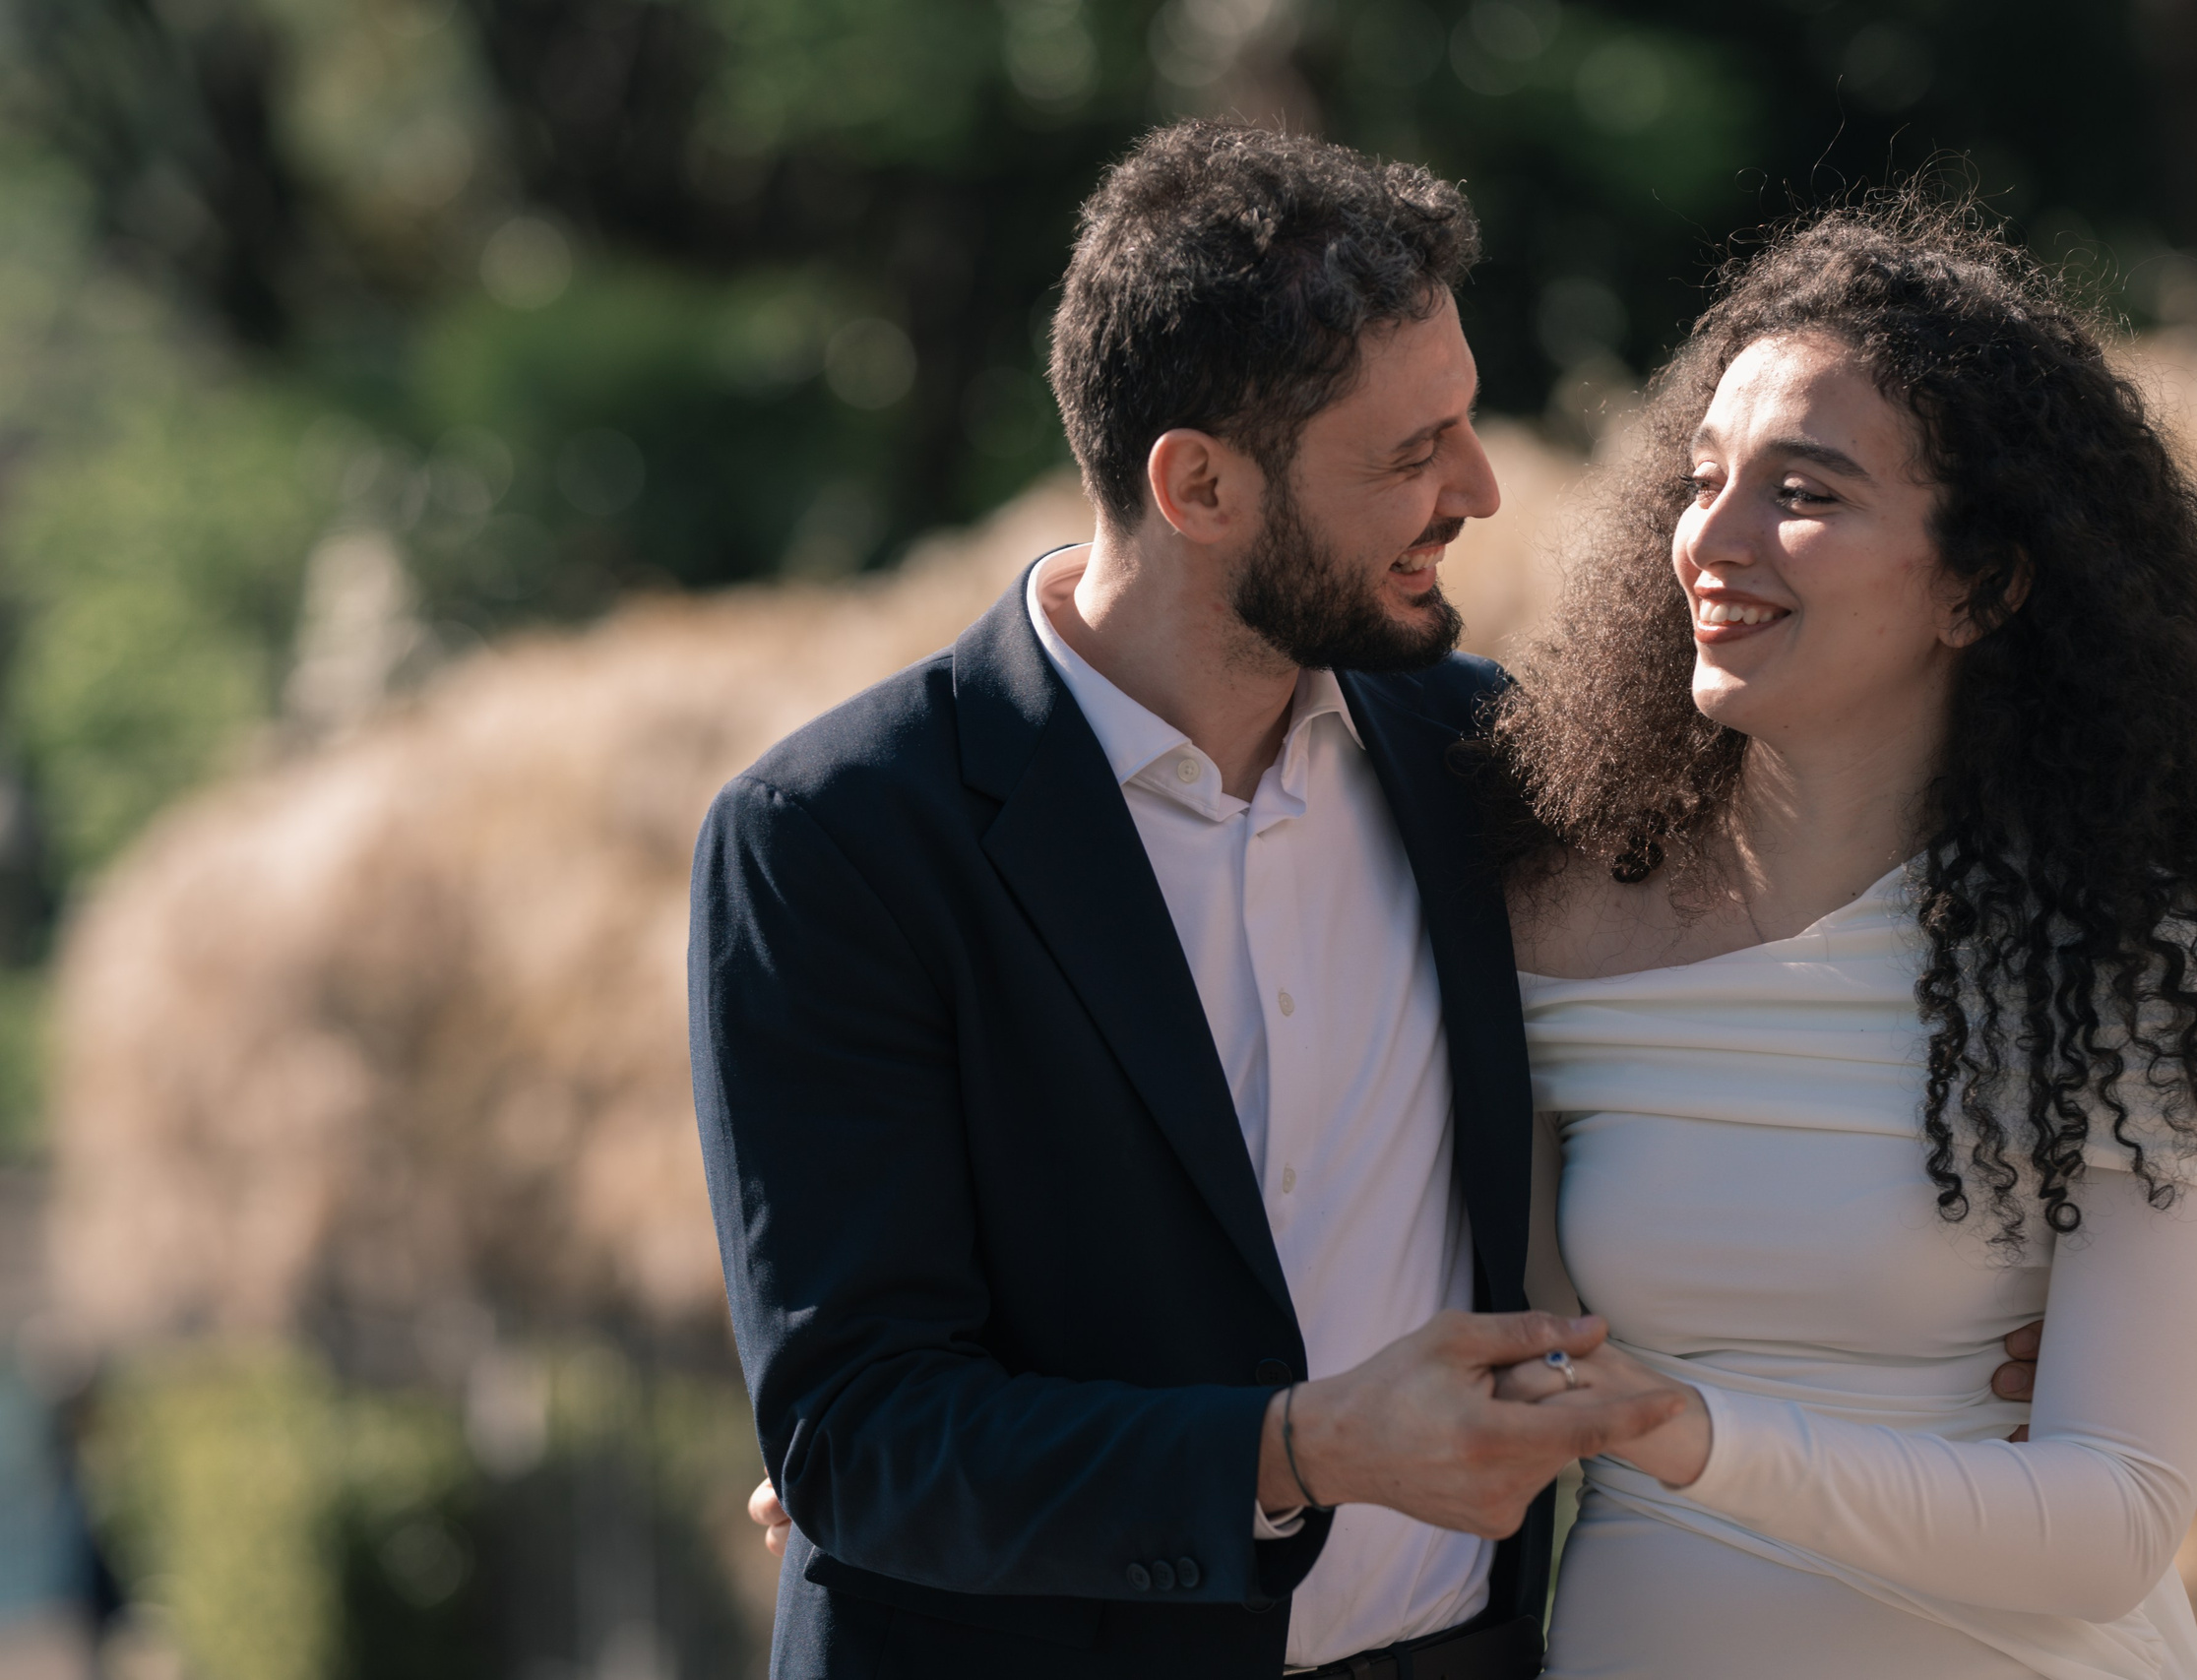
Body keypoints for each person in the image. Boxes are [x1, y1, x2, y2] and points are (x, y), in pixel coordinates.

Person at [688, 120, 1710, 1680]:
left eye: (1468, 424)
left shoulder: (1487, 761)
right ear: (1198, 484)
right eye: (1411, 453)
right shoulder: (831, 843)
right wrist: (1295, 1451)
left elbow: (1789, 931)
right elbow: (864, 1439)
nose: (1482, 490)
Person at [1475, 197, 2197, 1678]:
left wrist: (1690, 1432)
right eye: (1704, 478)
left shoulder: (2116, 965)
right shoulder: (1541, 918)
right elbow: (1491, 1358)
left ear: (1982, 584)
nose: (1709, 540)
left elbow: (2115, 1526)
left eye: (1806, 492)